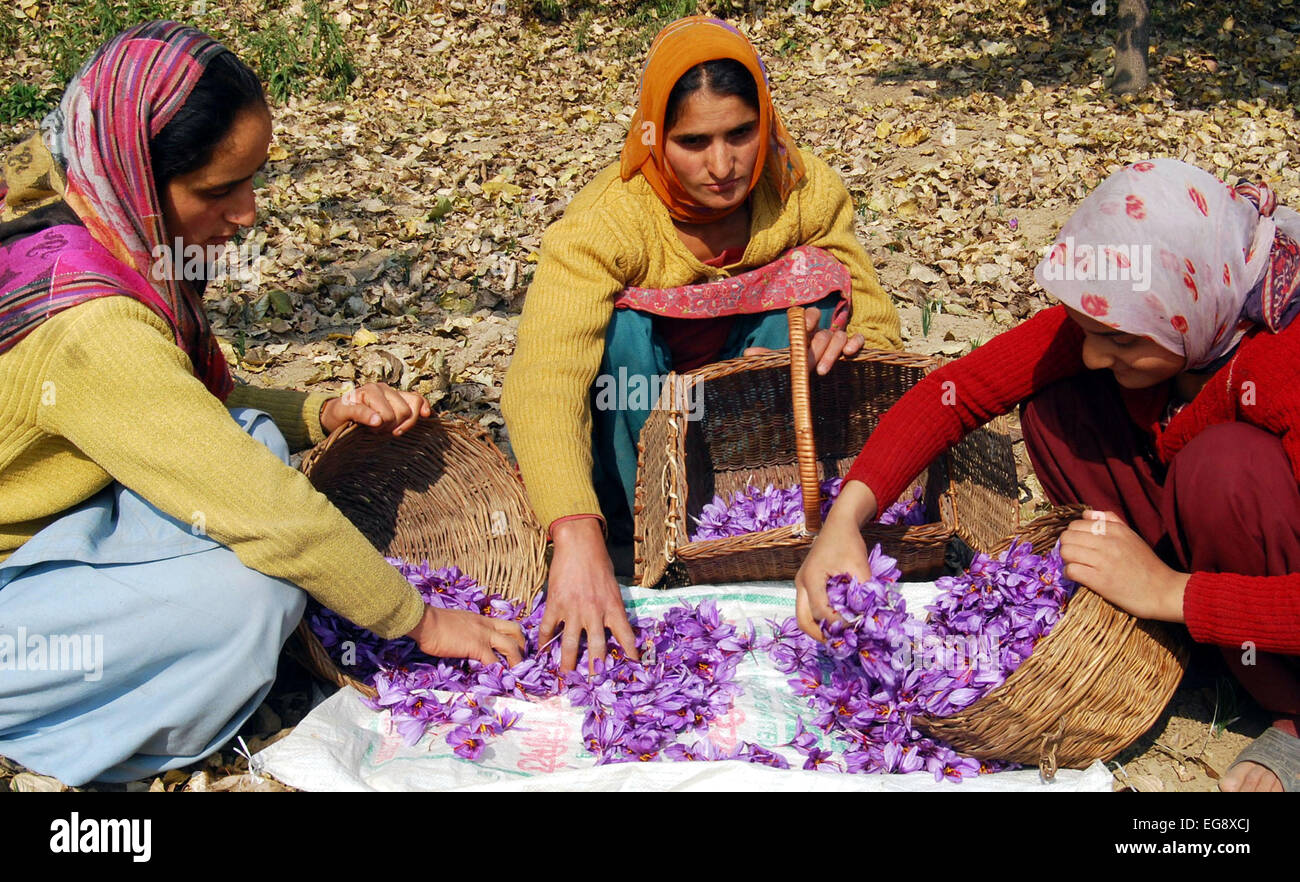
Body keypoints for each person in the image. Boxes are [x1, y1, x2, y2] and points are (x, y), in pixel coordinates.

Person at [0, 21, 524, 786]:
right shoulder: (93, 325)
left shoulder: (76, 206)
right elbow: (266, 511)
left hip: (57, 524)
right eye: (218, 190)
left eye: (254, 179)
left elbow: (179, 402)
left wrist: (319, 416)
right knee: (252, 591)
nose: (246, 213)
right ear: (140, 177)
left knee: (248, 437)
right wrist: (421, 621)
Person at [796, 157, 1300, 792]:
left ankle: (1288, 707)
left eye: (1117, 338)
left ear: (1190, 304)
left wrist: (1170, 591)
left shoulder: (1284, 360)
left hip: (1268, 552)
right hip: (1200, 547)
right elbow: (958, 391)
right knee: (1055, 403)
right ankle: (1184, 638)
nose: (1093, 351)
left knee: (1224, 465)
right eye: (1088, 330)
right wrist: (845, 521)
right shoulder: (1141, 306)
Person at [502, 16, 902, 673]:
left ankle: (776, 528)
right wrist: (574, 532)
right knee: (620, 333)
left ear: (766, 121)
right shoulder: (609, 223)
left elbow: (876, 322)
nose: (722, 166)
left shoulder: (799, 190)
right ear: (656, 137)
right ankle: (647, 544)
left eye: (741, 134)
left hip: (751, 435)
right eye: (694, 142)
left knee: (823, 293)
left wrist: (851, 342)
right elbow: (543, 382)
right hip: (633, 430)